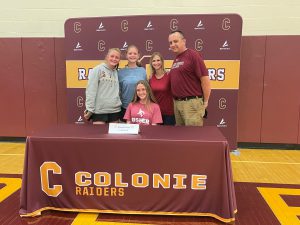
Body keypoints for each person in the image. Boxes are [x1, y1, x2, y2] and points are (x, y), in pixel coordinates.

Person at [168, 30, 211, 126]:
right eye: (170, 43)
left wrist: (206, 101)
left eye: (175, 41)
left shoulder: (193, 55)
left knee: (193, 137)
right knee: (181, 137)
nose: (172, 44)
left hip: (191, 104)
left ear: (184, 41)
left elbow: (205, 79)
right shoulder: (176, 59)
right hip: (177, 104)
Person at [84, 48, 122, 124]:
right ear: (107, 56)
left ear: (119, 60)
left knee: (113, 136)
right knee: (99, 136)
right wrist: (89, 109)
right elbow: (91, 91)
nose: (114, 59)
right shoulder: (97, 70)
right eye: (112, 56)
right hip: (99, 111)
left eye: (117, 57)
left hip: (115, 111)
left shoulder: (117, 73)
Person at [118, 45, 147, 121]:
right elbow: (118, 92)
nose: (132, 55)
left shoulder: (143, 71)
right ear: (126, 55)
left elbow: (146, 90)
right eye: (130, 53)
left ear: (138, 55)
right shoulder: (120, 72)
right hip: (125, 108)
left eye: (135, 53)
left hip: (141, 108)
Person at [149, 52, 175, 125]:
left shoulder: (169, 75)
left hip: (169, 113)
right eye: (154, 61)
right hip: (156, 113)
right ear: (151, 63)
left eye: (158, 60)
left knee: (168, 136)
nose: (156, 63)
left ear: (162, 62)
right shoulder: (150, 78)